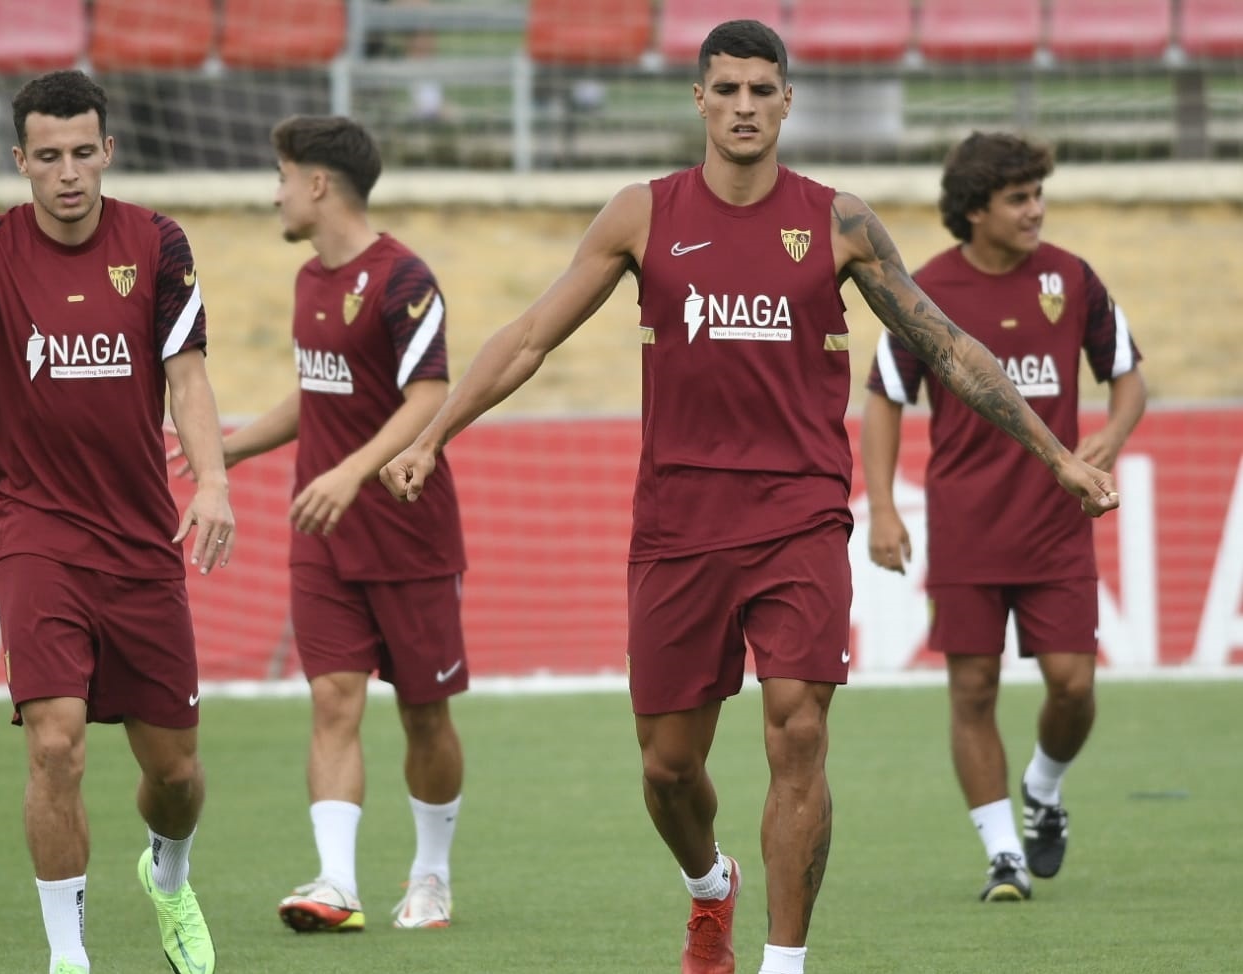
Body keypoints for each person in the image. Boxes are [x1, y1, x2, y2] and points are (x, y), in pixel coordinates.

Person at [378, 20, 1121, 974]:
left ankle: (783, 962)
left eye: (760, 90)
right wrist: (434, 437)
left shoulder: (840, 222)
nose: (742, 106)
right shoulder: (641, 214)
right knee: (668, 767)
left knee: (799, 727)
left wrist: (1056, 453)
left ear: (786, 101)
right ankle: (708, 887)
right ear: (698, 98)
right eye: (725, 89)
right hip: (678, 522)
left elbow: (948, 346)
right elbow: (529, 338)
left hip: (800, 514)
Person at [0, 70, 233, 974]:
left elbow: (186, 378)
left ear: (107, 150)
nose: (68, 173)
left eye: (83, 153)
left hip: (141, 541)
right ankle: (69, 958)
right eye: (49, 157)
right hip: (37, 535)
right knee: (56, 745)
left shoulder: (157, 243)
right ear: (20, 160)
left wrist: (214, 483)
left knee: (176, 775)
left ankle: (169, 876)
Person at [182, 114, 467, 932]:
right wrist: (224, 455)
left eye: (280, 176)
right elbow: (318, 394)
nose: (273, 193)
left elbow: (427, 396)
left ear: (316, 183)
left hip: (410, 536)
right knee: (333, 701)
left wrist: (351, 471)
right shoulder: (310, 281)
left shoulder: (405, 279)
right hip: (323, 536)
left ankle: (431, 874)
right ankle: (336, 884)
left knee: (424, 713)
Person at [861, 131, 1146, 903]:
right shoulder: (923, 288)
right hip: (966, 526)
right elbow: (885, 395)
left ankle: (1044, 791)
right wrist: (882, 506)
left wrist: (1112, 438)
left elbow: (1128, 380)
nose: (1036, 210)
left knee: (1073, 686)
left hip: (1056, 523)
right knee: (974, 688)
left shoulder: (1072, 279)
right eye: (1019, 198)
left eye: (1038, 194)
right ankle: (1001, 856)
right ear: (976, 210)